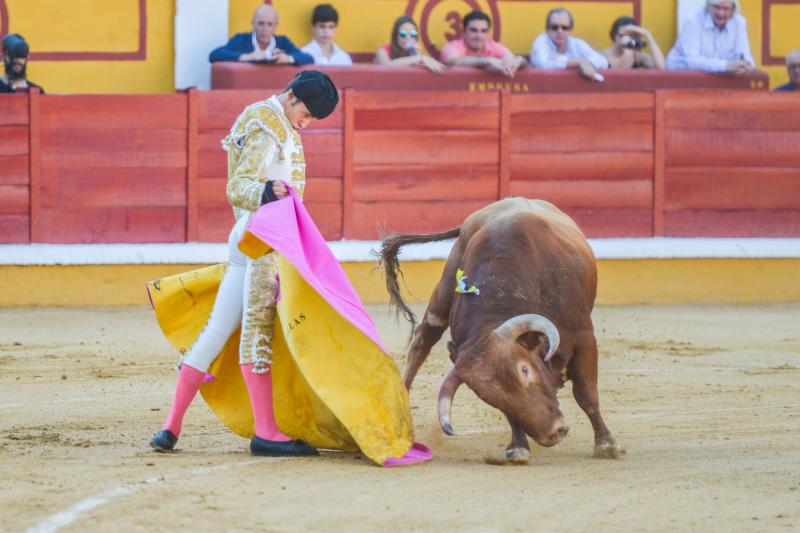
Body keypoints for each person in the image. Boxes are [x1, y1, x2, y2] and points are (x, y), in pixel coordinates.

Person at [149, 70, 339, 457]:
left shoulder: (273, 120)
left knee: (217, 331)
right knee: (258, 329)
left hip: (251, 236)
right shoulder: (268, 124)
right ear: (290, 96)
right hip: (260, 240)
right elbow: (238, 185)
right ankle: (266, 432)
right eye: (305, 113)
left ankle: (170, 428)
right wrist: (268, 191)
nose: (306, 122)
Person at [665, 0, 754, 75]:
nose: (721, 13)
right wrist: (726, 66)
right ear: (708, 6)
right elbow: (692, 61)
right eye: (716, 7)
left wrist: (746, 66)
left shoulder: (739, 22)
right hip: (679, 77)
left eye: (726, 9)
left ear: (733, 10)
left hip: (716, 80)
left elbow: (746, 55)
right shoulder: (692, 21)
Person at [209, 4, 313, 65]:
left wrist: (288, 58)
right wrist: (247, 56)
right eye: (260, 23)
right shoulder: (241, 40)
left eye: (270, 24)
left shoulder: (283, 42)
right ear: (253, 23)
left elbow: (309, 58)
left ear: (276, 25)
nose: (265, 29)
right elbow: (214, 55)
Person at [439, 11, 526, 78]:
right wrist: (488, 61)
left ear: (488, 33)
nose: (478, 36)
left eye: (483, 31)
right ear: (464, 32)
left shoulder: (493, 46)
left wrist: (518, 61)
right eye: (473, 30)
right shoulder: (452, 46)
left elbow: (513, 59)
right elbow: (453, 60)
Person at [530, 7, 608, 80]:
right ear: (547, 29)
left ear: (570, 30)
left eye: (565, 27)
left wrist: (589, 63)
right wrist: (579, 62)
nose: (560, 31)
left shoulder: (577, 44)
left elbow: (603, 61)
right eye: (554, 27)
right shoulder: (541, 42)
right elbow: (545, 65)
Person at [373, 16, 445, 74]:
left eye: (413, 34)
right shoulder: (383, 51)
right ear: (395, 36)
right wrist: (420, 58)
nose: (408, 38)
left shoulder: (415, 52)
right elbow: (387, 65)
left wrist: (416, 55)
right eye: (403, 34)